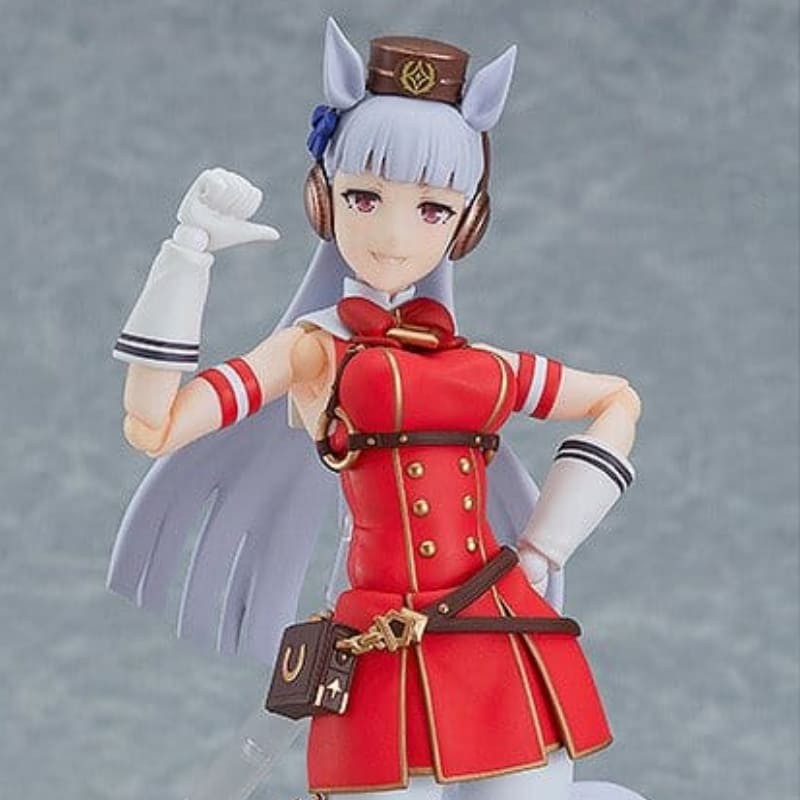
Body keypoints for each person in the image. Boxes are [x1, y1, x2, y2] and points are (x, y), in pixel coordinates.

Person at [109, 19, 645, 800]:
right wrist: (186, 257)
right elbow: (153, 424)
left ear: (468, 220)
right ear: (323, 197)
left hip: (496, 624)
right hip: (381, 640)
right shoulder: (314, 350)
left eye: (432, 208)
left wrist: (542, 550)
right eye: (365, 197)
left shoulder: (483, 363)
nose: (393, 235)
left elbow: (615, 400)